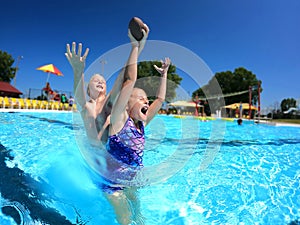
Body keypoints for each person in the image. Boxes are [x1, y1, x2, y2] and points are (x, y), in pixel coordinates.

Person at [104, 51, 170, 224]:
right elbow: (129, 83)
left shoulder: (142, 125)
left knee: (138, 215)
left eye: (147, 100)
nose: (147, 102)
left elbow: (160, 99)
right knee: (125, 219)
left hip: (133, 179)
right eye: (141, 99)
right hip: (113, 183)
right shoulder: (119, 121)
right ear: (126, 105)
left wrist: (164, 75)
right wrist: (135, 47)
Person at [65, 24, 149, 147]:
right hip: (92, 153)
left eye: (103, 81)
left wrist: (136, 48)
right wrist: (78, 72)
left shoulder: (109, 101)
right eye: (96, 80)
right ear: (88, 90)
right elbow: (80, 99)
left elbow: (123, 77)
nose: (100, 82)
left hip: (108, 154)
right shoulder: (87, 106)